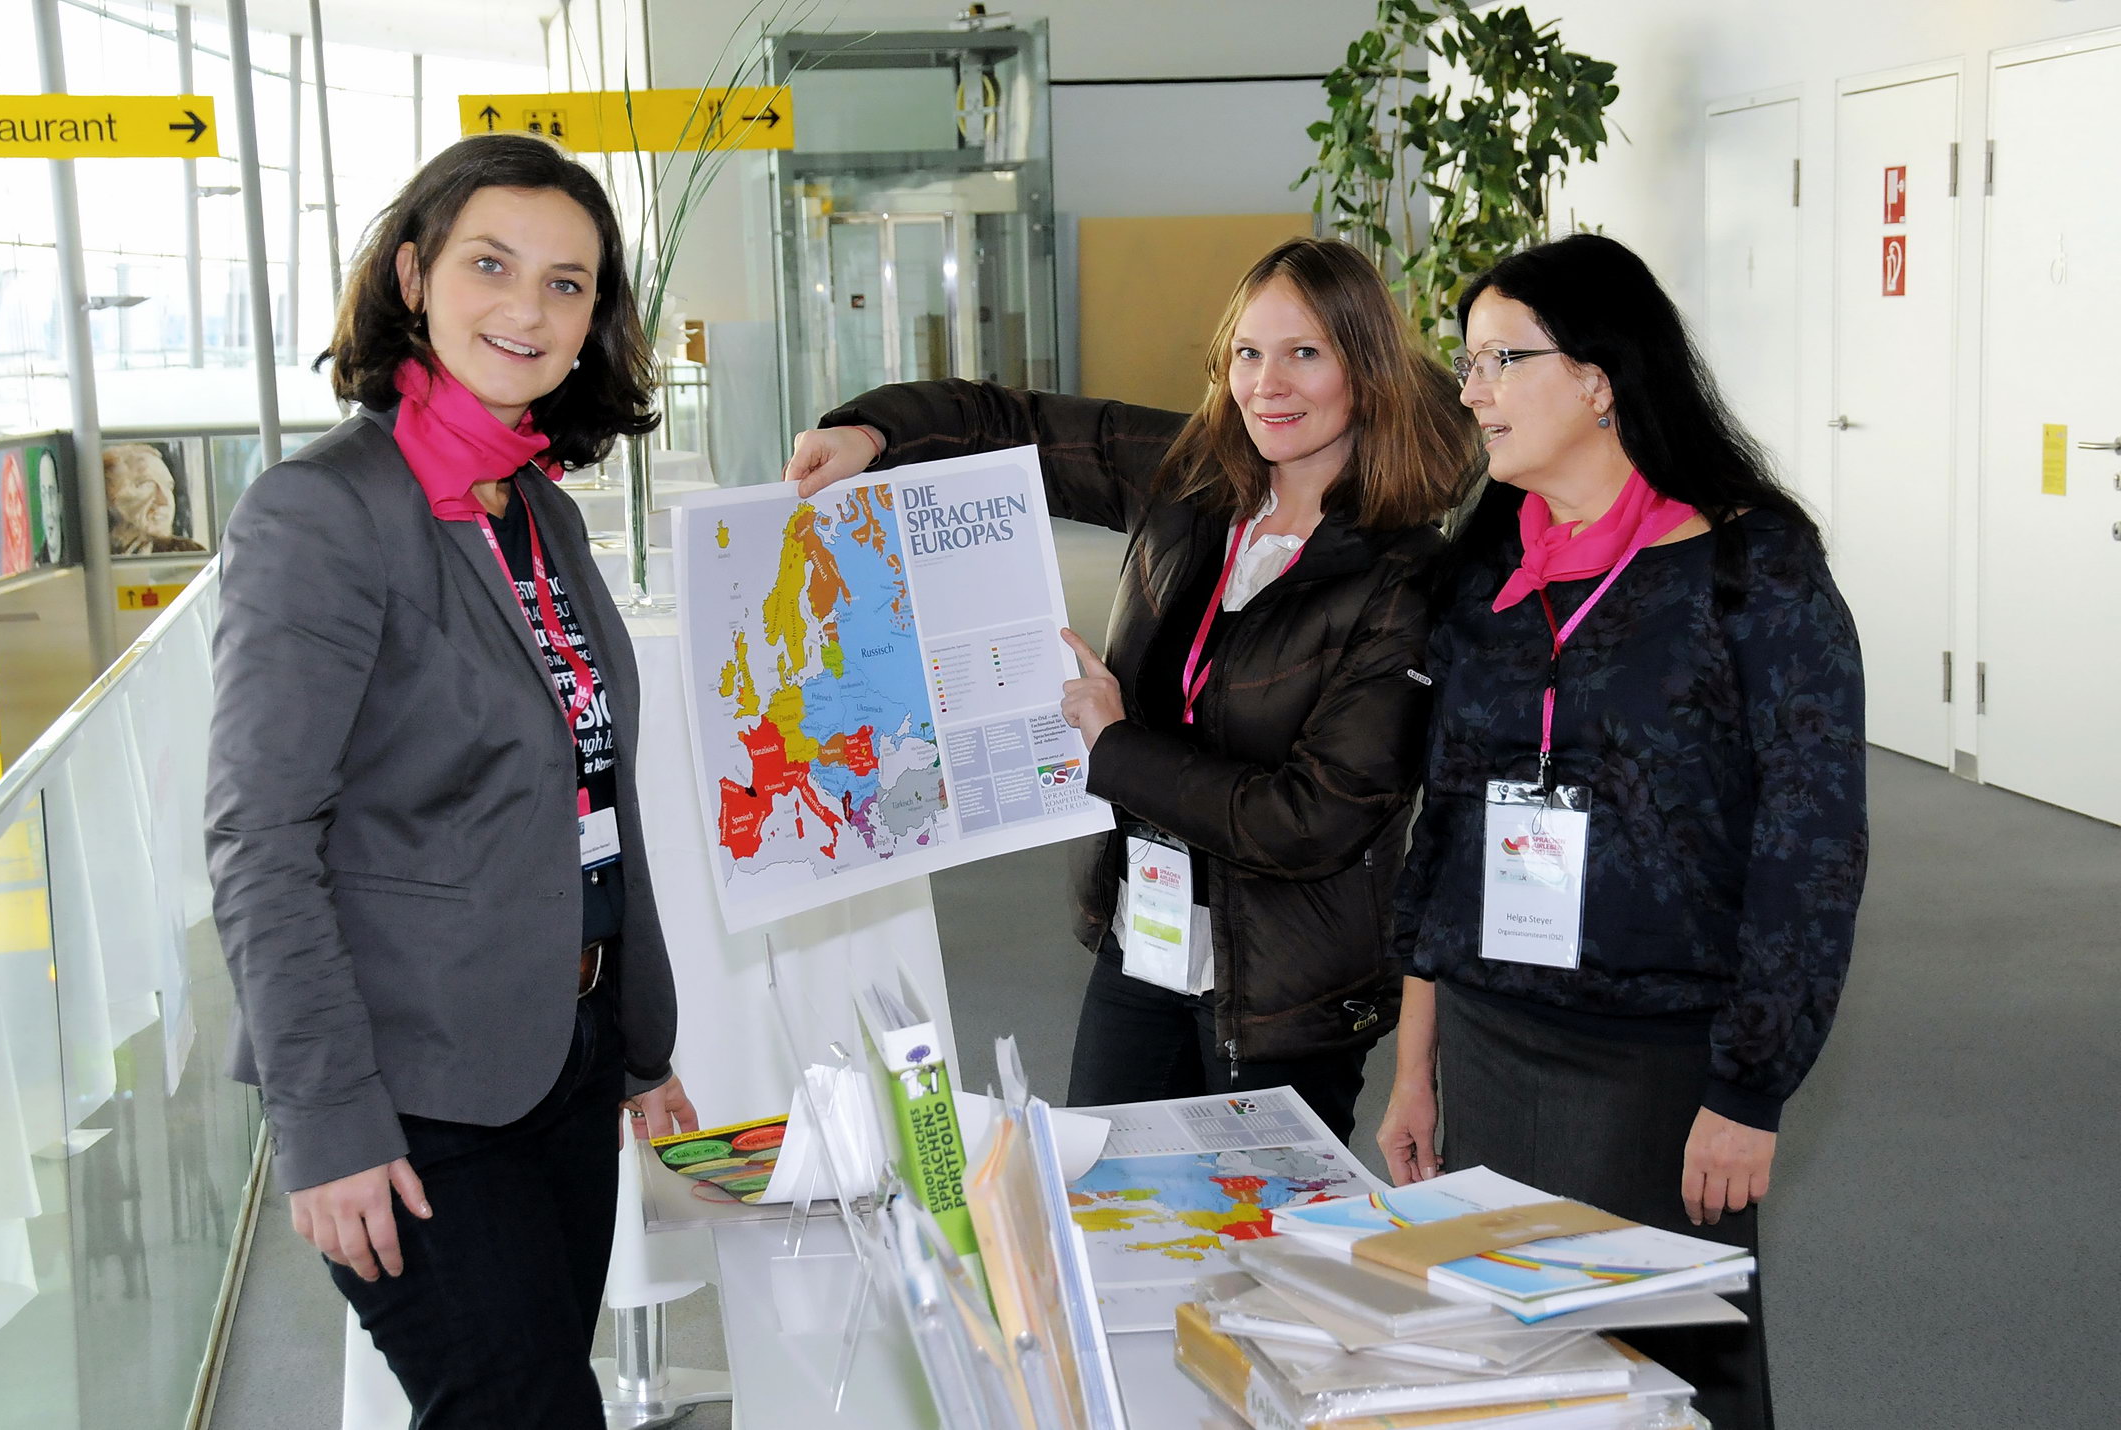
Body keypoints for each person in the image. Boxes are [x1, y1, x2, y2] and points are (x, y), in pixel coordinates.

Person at [205, 133, 696, 1429]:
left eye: (566, 282)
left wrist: (636, 1046)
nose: (526, 306)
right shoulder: (322, 513)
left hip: (563, 1057)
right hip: (410, 1087)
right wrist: (329, 1124)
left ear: (594, 320)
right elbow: (261, 837)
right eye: (491, 264)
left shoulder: (537, 510)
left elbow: (595, 798)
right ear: (414, 276)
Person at [786, 238, 1478, 1139]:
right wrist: (874, 432)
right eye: (1248, 353)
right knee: (1104, 1199)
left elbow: (1313, 819)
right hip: (1142, 941)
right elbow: (1016, 422)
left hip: (1282, 988)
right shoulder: (1192, 478)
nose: (1268, 384)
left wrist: (1116, 749)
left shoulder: (1404, 577)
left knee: (1255, 1225)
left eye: (1305, 353)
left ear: (1367, 367)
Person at [1375, 233, 1868, 1430]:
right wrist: (1413, 1062)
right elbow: (1445, 826)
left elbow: (1809, 843)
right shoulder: (1484, 571)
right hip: (1493, 1034)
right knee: (1511, 1373)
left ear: (1597, 378)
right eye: (1466, 363)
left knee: (1670, 1380)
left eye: (1499, 360)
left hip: (1658, 1059)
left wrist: (1750, 1086)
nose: (1471, 391)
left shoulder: (1750, 565)